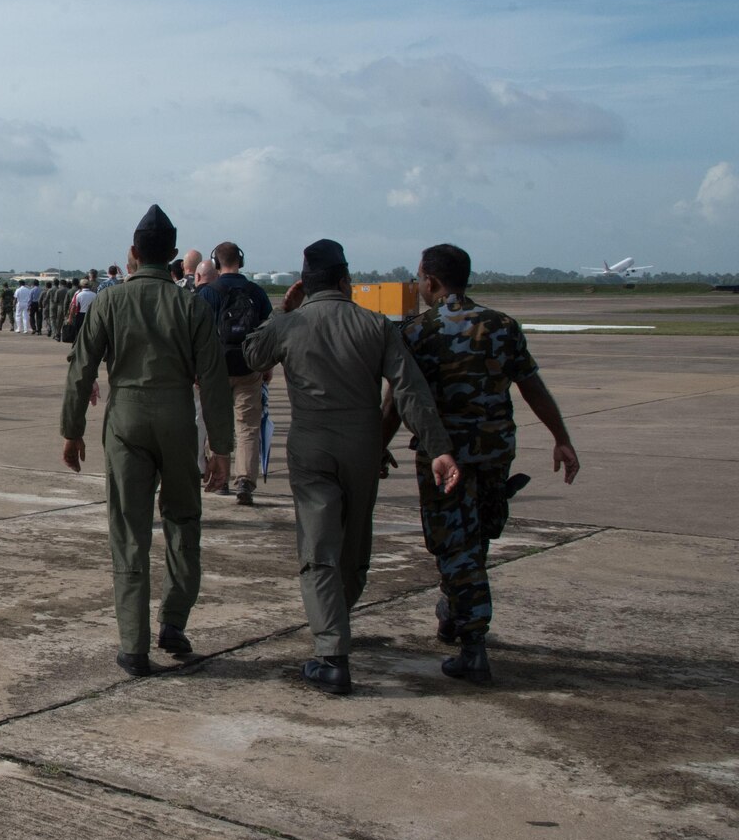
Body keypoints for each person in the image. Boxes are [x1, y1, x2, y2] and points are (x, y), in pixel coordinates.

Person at [242, 239, 460, 697]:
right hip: (363, 446)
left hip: (312, 445)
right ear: (346, 281)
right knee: (356, 543)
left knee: (319, 548)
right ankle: (336, 622)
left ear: (305, 284)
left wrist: (284, 311)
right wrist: (438, 447)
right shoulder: (376, 325)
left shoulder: (291, 324)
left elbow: (252, 355)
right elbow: (409, 390)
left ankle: (332, 653)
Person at [385, 243, 581, 686]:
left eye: (419, 278)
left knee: (455, 544)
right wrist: (561, 439)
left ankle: (473, 644)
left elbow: (398, 401)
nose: (419, 285)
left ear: (431, 282)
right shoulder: (502, 326)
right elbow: (532, 387)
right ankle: (455, 615)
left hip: (444, 457)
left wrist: (378, 447)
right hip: (494, 452)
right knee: (475, 537)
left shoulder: (420, 331)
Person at [63, 205, 235, 678]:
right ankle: (174, 623)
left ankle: (133, 644)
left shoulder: (109, 301)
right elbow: (215, 382)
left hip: (126, 420)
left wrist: (72, 429)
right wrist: (221, 448)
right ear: (176, 258)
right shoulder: (192, 306)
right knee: (183, 522)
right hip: (179, 420)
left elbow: (82, 369)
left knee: (129, 530)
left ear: (134, 254)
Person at [198, 242, 275, 505]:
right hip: (249, 366)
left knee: (216, 423)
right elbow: (269, 331)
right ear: (240, 261)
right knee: (248, 425)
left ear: (216, 263)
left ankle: (219, 477)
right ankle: (244, 480)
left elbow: (198, 333)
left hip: (217, 368)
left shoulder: (209, 293)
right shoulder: (256, 292)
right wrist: (267, 365)